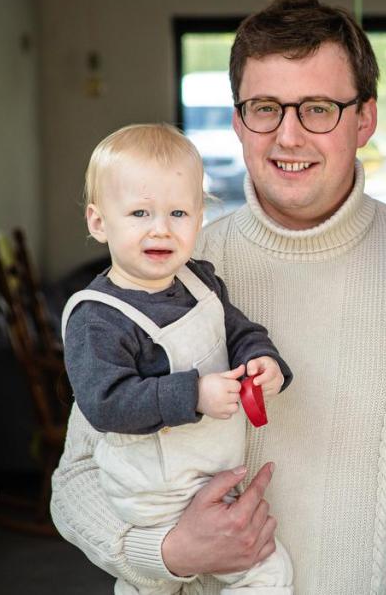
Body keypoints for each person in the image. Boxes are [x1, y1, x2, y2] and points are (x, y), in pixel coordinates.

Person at [51, 0, 386, 594]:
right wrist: (171, 552)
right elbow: (75, 478)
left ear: (365, 119)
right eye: (264, 108)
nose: (288, 135)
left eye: (318, 109)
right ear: (238, 122)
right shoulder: (174, 278)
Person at [61, 123, 294, 595]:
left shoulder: (199, 281)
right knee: (156, 584)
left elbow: (238, 331)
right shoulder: (98, 317)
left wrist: (262, 360)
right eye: (140, 212)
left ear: (200, 218)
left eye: (179, 212)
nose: (160, 228)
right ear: (99, 222)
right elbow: (105, 404)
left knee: (268, 571)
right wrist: (195, 393)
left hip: (208, 475)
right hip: (151, 493)